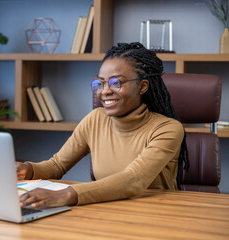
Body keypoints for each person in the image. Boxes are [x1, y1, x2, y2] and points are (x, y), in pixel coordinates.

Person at [17, 42, 188, 208]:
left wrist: (67, 194)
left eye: (116, 83)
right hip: (103, 210)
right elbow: (57, 165)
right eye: (100, 83)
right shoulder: (95, 119)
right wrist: (27, 169)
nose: (104, 91)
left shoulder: (168, 128)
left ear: (142, 86)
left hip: (155, 215)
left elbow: (134, 180)